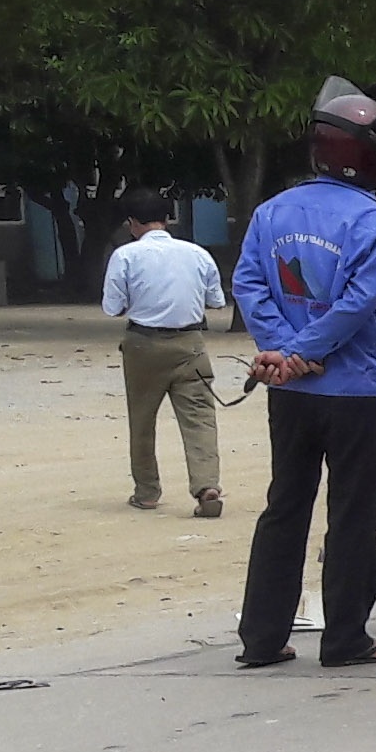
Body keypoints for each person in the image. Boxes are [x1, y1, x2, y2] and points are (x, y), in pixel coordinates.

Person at [230, 83, 376, 669]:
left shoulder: (270, 212)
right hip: (356, 390)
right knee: (353, 514)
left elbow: (250, 286)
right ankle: (346, 637)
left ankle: (261, 638)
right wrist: (303, 349)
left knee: (285, 505)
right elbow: (358, 304)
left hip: (291, 392)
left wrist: (282, 353)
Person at [100, 193, 225, 517]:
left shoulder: (125, 256)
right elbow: (216, 301)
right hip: (191, 343)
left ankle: (147, 492)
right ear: (167, 220)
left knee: (142, 420)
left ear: (132, 224)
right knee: (199, 417)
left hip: (143, 343)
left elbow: (112, 307)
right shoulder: (197, 254)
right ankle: (207, 485)